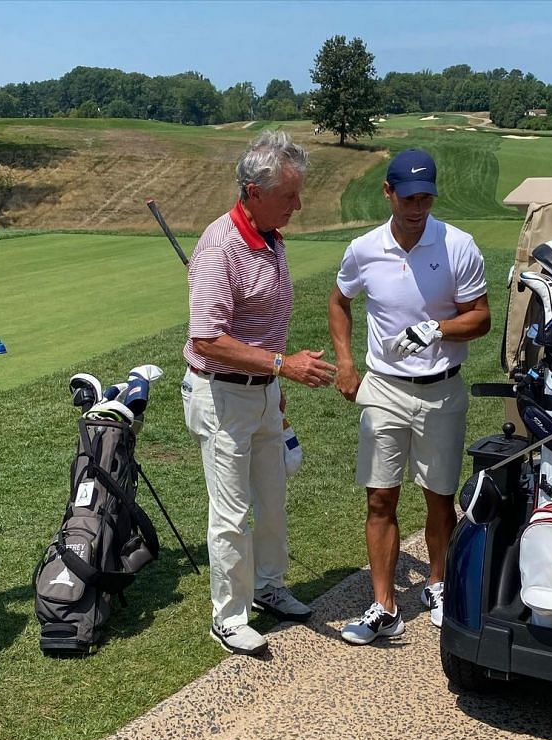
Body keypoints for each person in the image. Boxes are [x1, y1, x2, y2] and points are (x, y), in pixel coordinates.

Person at [182, 131, 336, 657]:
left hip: (262, 391)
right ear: (253, 191)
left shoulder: (271, 238)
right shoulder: (220, 245)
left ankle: (269, 586)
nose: (298, 205)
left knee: (272, 501)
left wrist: (275, 381)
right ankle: (228, 616)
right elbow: (207, 339)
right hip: (222, 395)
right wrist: (281, 365)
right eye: (289, 195)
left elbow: (259, 323)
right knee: (231, 511)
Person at [328, 148, 490, 645]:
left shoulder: (458, 245)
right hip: (384, 387)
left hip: (441, 388)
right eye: (409, 197)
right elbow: (339, 300)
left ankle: (438, 584)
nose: (418, 207)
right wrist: (347, 362)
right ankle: (384, 605)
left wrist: (436, 330)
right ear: (388, 193)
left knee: (440, 497)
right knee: (380, 497)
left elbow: (480, 317)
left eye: (426, 197)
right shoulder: (364, 249)